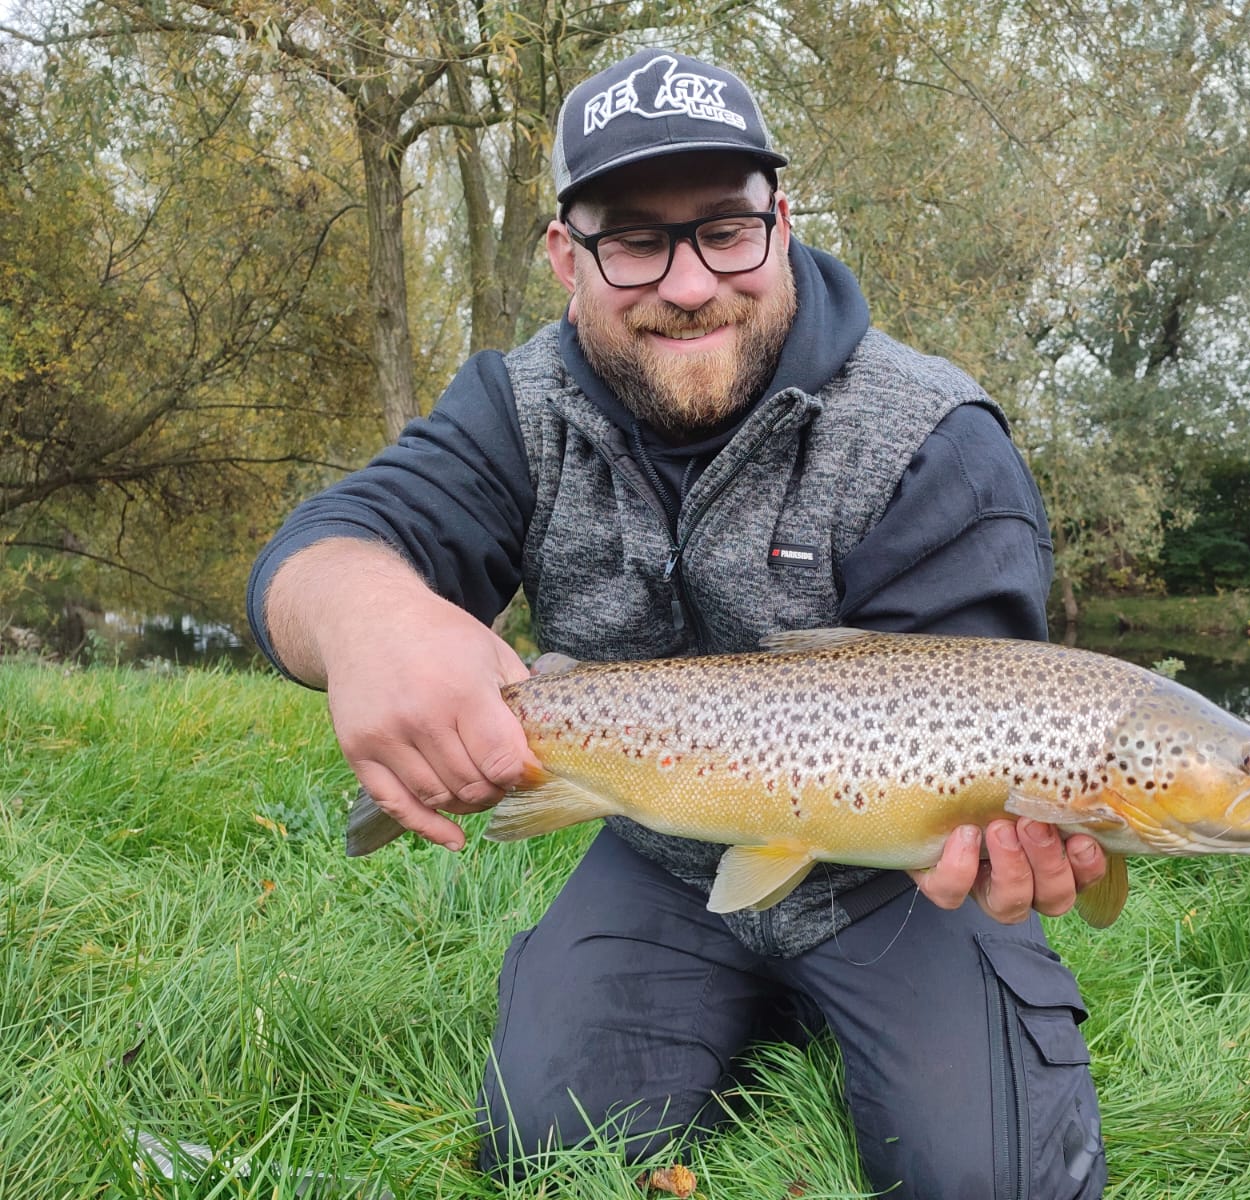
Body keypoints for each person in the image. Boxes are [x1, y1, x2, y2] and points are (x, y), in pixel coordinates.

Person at [247, 49, 1109, 1198]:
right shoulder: (515, 408)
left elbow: (989, 715)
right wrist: (368, 620)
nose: (690, 283)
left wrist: (1021, 831)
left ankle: (829, 1001)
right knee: (544, 1152)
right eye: (634, 241)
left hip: (897, 880)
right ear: (566, 257)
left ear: (781, 224)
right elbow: (326, 548)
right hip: (659, 847)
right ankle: (744, 998)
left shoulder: (931, 437)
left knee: (990, 1186)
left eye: (724, 230)